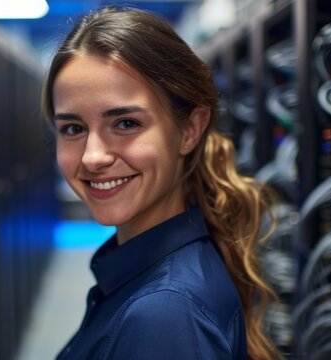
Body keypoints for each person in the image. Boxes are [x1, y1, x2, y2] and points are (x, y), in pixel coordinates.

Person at [42, 6, 278, 360]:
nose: (92, 157)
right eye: (73, 129)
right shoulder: (150, 279)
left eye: (125, 124)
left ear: (190, 130)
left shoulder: (165, 316)